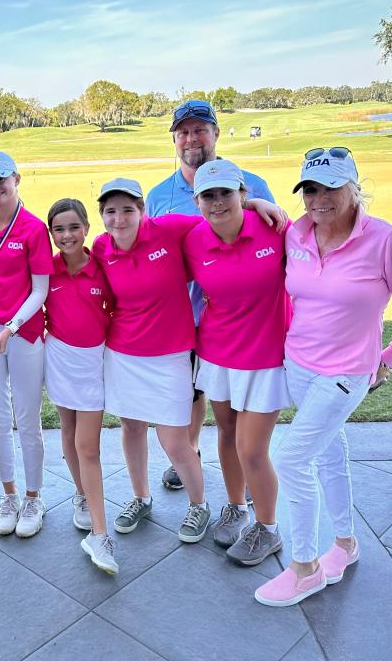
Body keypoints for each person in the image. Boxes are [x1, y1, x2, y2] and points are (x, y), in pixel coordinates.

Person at [255, 147, 392, 607]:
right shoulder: (296, 234)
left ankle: (304, 569)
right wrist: (256, 201)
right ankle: (345, 544)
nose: (319, 199)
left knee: (293, 459)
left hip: (346, 374)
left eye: (331, 187)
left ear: (355, 188)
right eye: (310, 189)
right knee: (330, 452)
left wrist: (388, 360)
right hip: (297, 365)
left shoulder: (385, 241)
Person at [93, 178, 284, 541]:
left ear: (142, 211)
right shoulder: (102, 249)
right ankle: (140, 497)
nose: (119, 219)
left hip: (171, 353)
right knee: (131, 429)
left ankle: (199, 505)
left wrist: (257, 204)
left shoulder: (169, 229)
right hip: (123, 354)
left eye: (128, 210)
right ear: (102, 216)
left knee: (174, 440)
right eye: (110, 211)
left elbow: (220, 218)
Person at [146, 99, 275, 493]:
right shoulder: (159, 195)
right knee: (192, 392)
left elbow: (273, 237)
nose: (191, 139)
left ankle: (251, 475)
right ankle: (191, 451)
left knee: (238, 408)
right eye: (183, 132)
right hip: (184, 315)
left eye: (200, 129)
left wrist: (253, 201)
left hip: (239, 319)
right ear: (174, 139)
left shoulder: (251, 183)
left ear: (216, 133)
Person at [182, 159, 291, 566]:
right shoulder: (192, 239)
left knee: (252, 449)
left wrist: (265, 203)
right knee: (226, 435)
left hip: (265, 357)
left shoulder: (274, 227)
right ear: (197, 201)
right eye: (208, 195)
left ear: (242, 194)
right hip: (217, 353)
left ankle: (268, 527)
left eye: (226, 193)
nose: (217, 203)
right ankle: (236, 506)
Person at [0, 150, 51, 538]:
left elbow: (40, 291)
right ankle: (10, 495)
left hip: (24, 334)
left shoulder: (33, 228)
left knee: (28, 419)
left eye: (0, 180)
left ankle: (34, 497)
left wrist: (11, 328)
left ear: (16, 178)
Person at [44, 198, 117, 574]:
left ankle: (101, 534)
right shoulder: (47, 270)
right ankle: (81, 494)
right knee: (69, 430)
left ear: (87, 228)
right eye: (58, 229)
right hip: (59, 358)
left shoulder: (102, 267)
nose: (67, 235)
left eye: (73, 227)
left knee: (88, 446)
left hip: (93, 363)